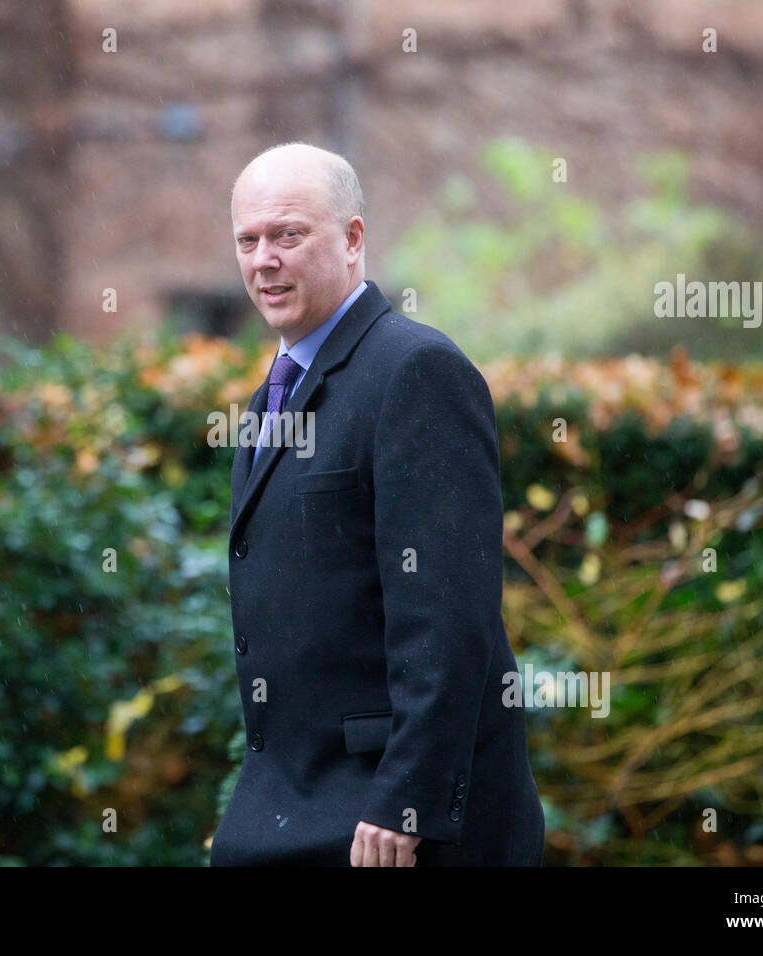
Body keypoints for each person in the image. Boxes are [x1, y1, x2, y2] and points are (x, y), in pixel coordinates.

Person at [209, 142, 545, 866]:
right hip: (286, 807)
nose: (264, 258)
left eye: (288, 235)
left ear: (354, 238)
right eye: (248, 240)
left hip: (389, 826)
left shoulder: (417, 372)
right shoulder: (275, 392)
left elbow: (450, 614)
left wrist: (410, 794)